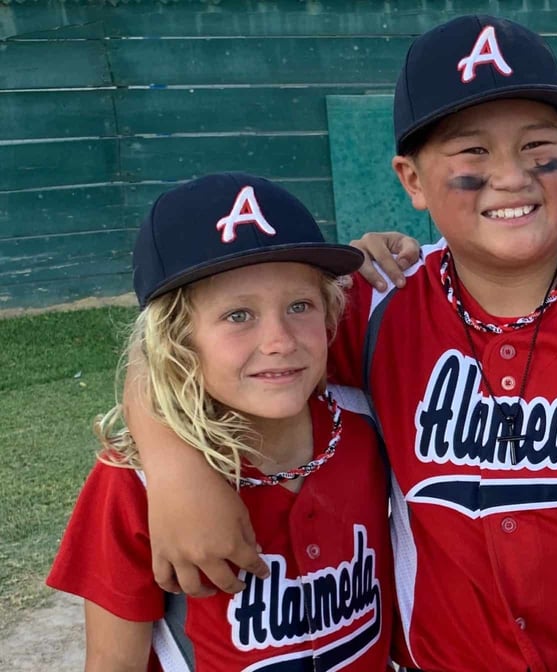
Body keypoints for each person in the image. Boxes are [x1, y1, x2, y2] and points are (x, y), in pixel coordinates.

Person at [125, 16, 557, 672]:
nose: (511, 177)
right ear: (412, 181)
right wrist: (175, 471)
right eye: (472, 153)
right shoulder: (378, 299)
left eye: (537, 146)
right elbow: (172, 350)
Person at [46, 173, 395, 671]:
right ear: (178, 340)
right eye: (238, 316)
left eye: (300, 306)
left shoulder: (364, 426)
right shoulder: (132, 483)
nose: (279, 340)